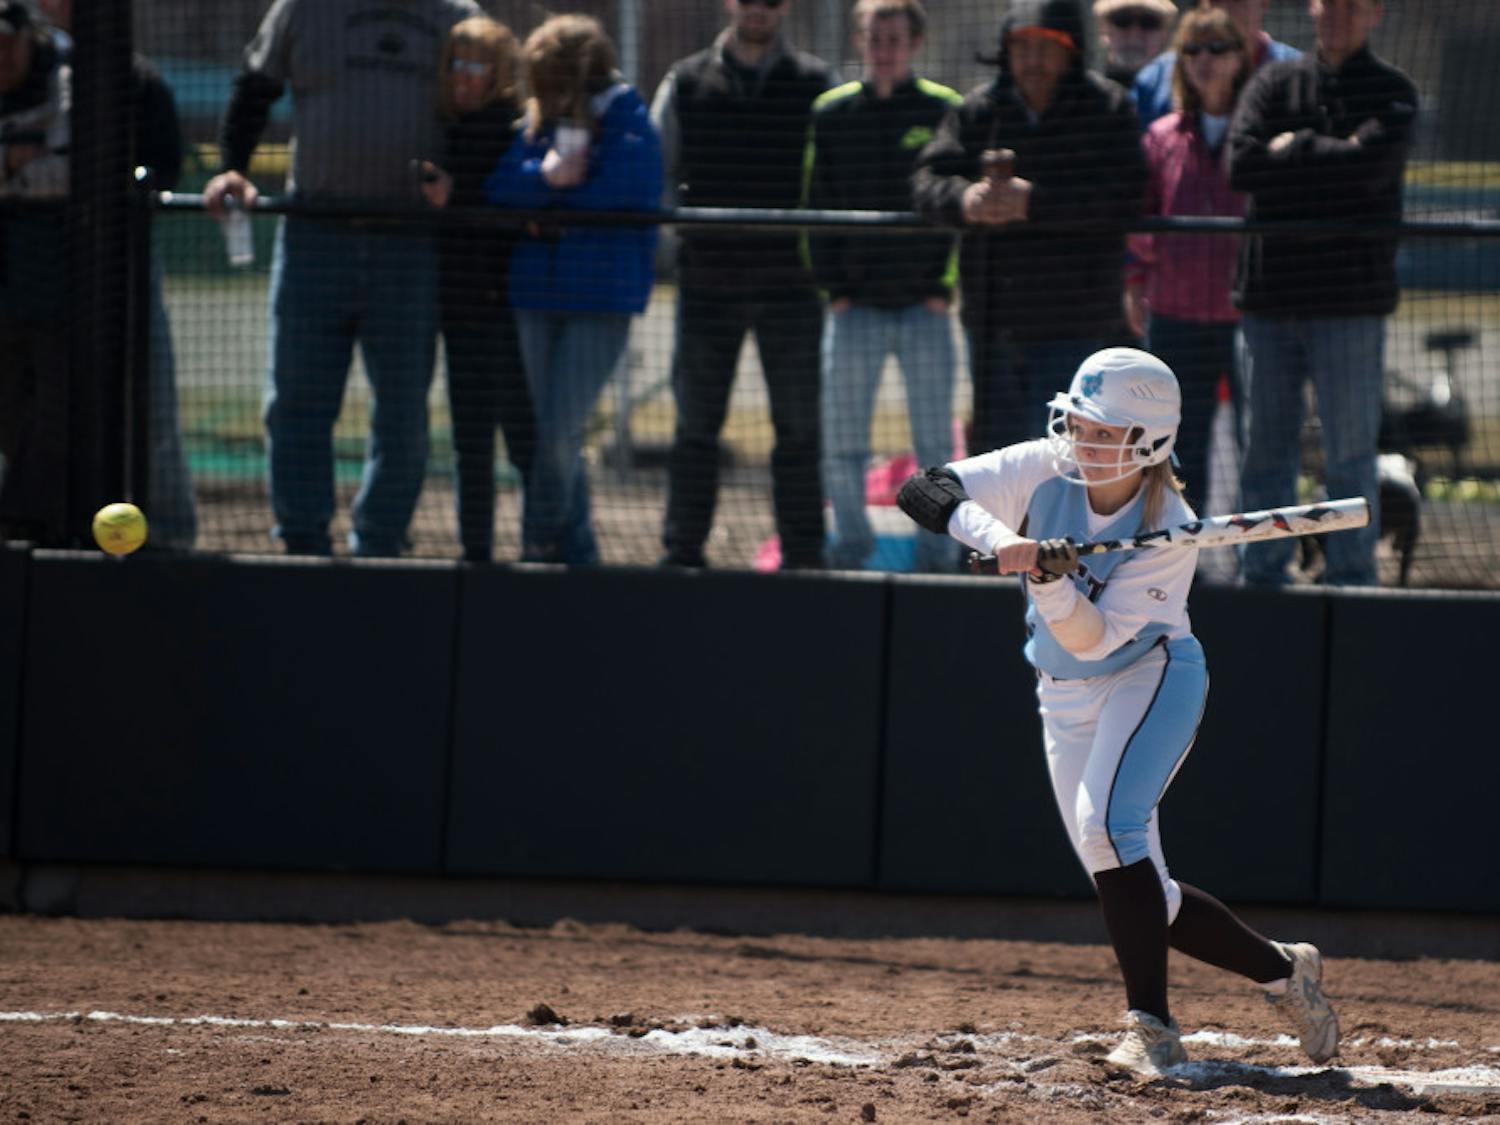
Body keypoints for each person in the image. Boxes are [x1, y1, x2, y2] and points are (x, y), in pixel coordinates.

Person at [895, 346, 1340, 1075]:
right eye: (1079, 424)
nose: (1085, 442)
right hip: (1062, 691)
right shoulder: (1043, 463)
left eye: (1106, 433)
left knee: (1110, 830)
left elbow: (1095, 636)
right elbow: (926, 488)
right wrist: (1006, 540)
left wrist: (1049, 582)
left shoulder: (1174, 524)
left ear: (1149, 442)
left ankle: (1153, 1030)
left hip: (1148, 676)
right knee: (1134, 884)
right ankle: (1283, 971)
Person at [203, 0, 479, 557]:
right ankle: (303, 541)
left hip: (409, 240)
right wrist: (234, 164)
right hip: (315, 233)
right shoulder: (303, 9)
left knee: (403, 410)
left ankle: (380, 542)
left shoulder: (456, 15)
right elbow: (255, 87)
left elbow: (485, 112)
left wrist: (463, 179)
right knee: (297, 402)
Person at [1228, 0, 1416, 587]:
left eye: (1353, 7)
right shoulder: (1273, 81)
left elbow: (1369, 171)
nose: (1339, 15)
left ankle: (1351, 576)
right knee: (1266, 451)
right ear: (1313, 9)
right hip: (1269, 303)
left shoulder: (1392, 91)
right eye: (1330, 4)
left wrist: (1295, 148)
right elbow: (1242, 165)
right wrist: (1333, 155)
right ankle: (1262, 573)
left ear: (1374, 14)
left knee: (1351, 456)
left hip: (1350, 305)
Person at [912, 0, 1146, 459]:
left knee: (1070, 458)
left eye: (1046, 47)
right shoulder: (981, 110)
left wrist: (1034, 203)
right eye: (1022, 47)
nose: (1033, 60)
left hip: (1074, 322)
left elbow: (1125, 195)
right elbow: (927, 181)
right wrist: (966, 200)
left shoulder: (1105, 108)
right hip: (994, 320)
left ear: (1071, 52)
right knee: (997, 459)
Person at [654, 0, 838, 570]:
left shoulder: (816, 82)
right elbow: (659, 171)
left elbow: (833, 173)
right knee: (695, 426)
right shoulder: (684, 81)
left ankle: (804, 555)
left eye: (772, 0)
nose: (760, 8)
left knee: (800, 429)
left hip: (793, 285)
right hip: (708, 282)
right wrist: (674, 247)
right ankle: (683, 550)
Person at [483, 15, 661, 565]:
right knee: (550, 433)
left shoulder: (628, 116)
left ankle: (537, 539)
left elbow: (629, 187)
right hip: (536, 294)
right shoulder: (537, 122)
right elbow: (501, 185)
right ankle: (577, 549)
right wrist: (545, 181)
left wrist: (553, 203)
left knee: (560, 430)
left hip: (601, 300)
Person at [803, 0, 961, 573]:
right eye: (874, 36)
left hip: (925, 307)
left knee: (934, 447)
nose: (884, 48)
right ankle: (849, 548)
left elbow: (955, 204)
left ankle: (938, 555)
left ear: (915, 42)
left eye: (895, 37)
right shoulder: (832, 112)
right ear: (860, 40)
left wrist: (941, 287)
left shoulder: (945, 109)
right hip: (854, 308)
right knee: (842, 440)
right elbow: (814, 202)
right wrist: (834, 288)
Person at [418, 16, 535, 564]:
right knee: (471, 444)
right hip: (461, 311)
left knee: (525, 439)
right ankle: (477, 552)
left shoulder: (512, 130)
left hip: (509, 311)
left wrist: (456, 197)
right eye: (457, 65)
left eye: (478, 67)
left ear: (499, 74)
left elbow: (516, 214)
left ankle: (544, 545)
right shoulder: (443, 129)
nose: (465, 78)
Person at [1125, 8, 1251, 515]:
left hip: (1248, 314)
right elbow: (1141, 220)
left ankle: (1258, 566)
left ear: (1240, 58)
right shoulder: (1162, 137)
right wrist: (1135, 280)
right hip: (1175, 314)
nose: (1205, 61)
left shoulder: (1257, 131)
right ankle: (1178, 562)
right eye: (1193, 50)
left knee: (1257, 441)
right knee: (1176, 449)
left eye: (1218, 48)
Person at [0, 0, 69, 544]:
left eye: (7, 43)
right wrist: (11, 160)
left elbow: (72, 170)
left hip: (53, 278)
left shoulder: (64, 75)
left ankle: (37, 523)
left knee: (49, 407)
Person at [1133, 0, 1300, 131]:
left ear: (1264, 2)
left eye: (1236, 0)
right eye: (1215, 0)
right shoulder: (1154, 80)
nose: (1224, 10)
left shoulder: (1297, 75)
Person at [1093, 0, 1176, 89]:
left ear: (1165, 33)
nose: (1134, 35)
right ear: (1103, 30)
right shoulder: (1084, 94)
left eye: (1149, 22)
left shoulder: (1179, 97)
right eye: (1122, 20)